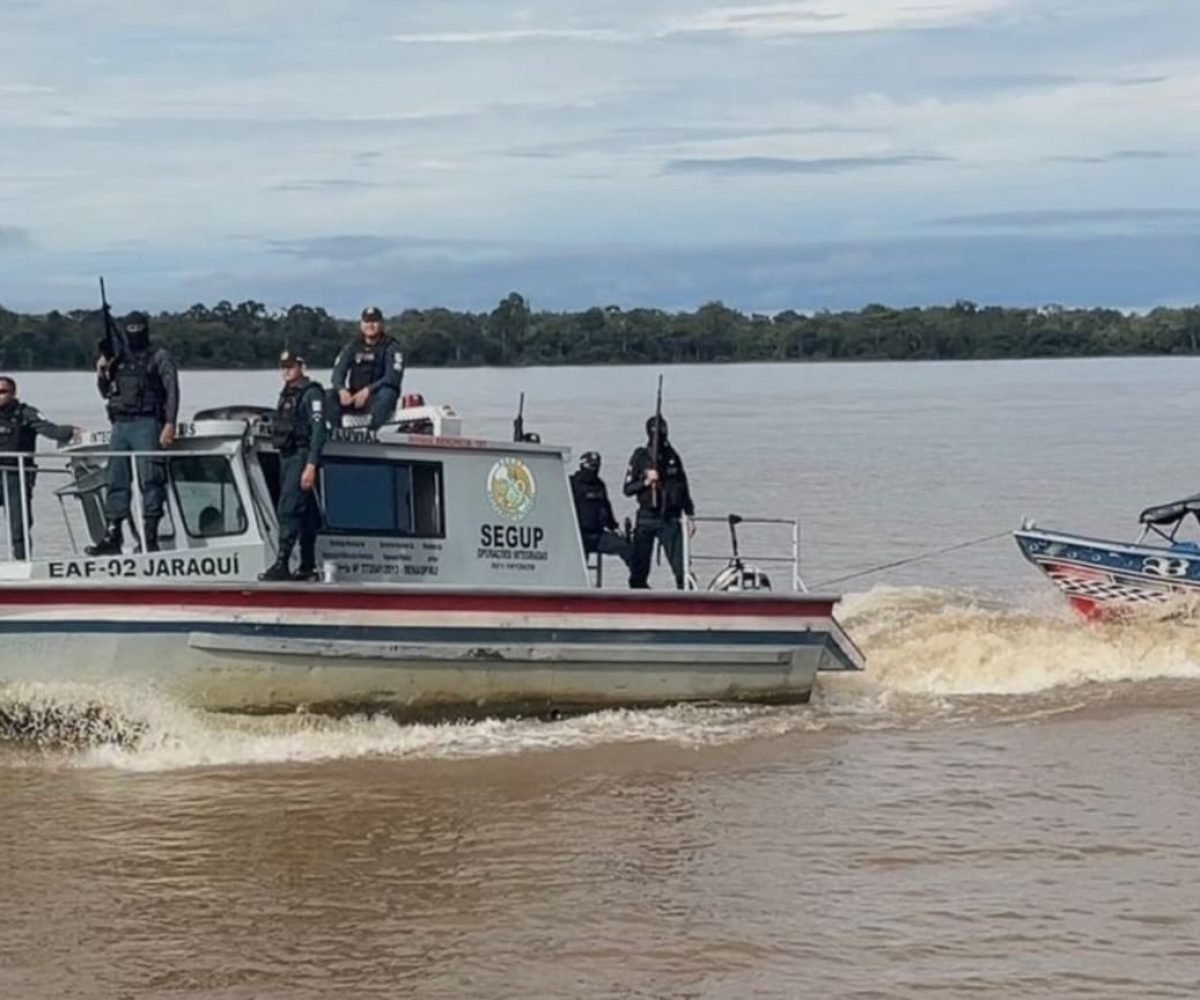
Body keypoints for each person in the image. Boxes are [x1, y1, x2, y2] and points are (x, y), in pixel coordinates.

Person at [86, 310, 179, 555]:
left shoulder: (158, 356)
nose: (134, 332)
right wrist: (101, 371)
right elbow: (106, 392)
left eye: (139, 327)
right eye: (131, 328)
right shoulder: (117, 359)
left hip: (147, 422)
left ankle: (150, 536)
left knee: (151, 478)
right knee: (116, 479)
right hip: (120, 425)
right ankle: (113, 534)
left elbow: (172, 390)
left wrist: (170, 423)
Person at [260, 350, 327, 581]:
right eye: (283, 366)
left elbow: (319, 431)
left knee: (288, 508)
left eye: (291, 366)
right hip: (287, 457)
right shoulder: (286, 395)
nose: (286, 370)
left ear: (302, 366)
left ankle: (282, 563)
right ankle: (307, 564)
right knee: (305, 512)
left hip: (301, 455)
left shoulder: (312, 394)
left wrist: (311, 465)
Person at [0, 376, 80, 560]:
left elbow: (49, 430)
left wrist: (69, 430)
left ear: (13, 394)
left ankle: (22, 562)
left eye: (3, 392)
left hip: (16, 475)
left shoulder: (25, 413)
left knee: (19, 524)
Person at [623, 415, 696, 589]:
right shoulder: (640, 456)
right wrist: (646, 482)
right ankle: (638, 600)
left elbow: (683, 485)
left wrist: (690, 514)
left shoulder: (672, 456)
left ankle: (686, 599)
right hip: (646, 518)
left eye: (662, 429)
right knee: (638, 570)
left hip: (670, 519)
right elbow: (627, 489)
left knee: (682, 569)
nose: (660, 434)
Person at [326, 305, 404, 430]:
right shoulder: (352, 346)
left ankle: (371, 434)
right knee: (327, 395)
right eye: (367, 321)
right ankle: (337, 432)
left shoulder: (391, 347)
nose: (370, 325)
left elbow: (392, 377)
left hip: (376, 398)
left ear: (381, 324)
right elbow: (337, 373)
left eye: (374, 321)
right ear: (361, 324)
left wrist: (368, 390)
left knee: (388, 393)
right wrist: (341, 389)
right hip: (354, 397)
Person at [570, 451, 631, 570]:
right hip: (578, 536)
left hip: (598, 535)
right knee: (578, 567)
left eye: (597, 466)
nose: (594, 469)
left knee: (627, 547)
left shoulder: (600, 485)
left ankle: (638, 582)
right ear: (583, 465)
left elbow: (606, 507)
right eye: (592, 466)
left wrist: (614, 527)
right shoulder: (572, 483)